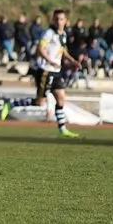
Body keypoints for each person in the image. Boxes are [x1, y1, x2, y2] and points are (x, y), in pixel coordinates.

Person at [29, 8, 80, 138]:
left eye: (61, 19)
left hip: (56, 72)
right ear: (53, 20)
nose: (59, 21)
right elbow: (40, 49)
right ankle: (11, 103)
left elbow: (63, 51)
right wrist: (51, 62)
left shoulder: (63, 35)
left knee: (61, 97)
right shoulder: (48, 33)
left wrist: (73, 61)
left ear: (66, 21)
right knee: (40, 103)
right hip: (46, 70)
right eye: (56, 19)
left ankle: (62, 128)